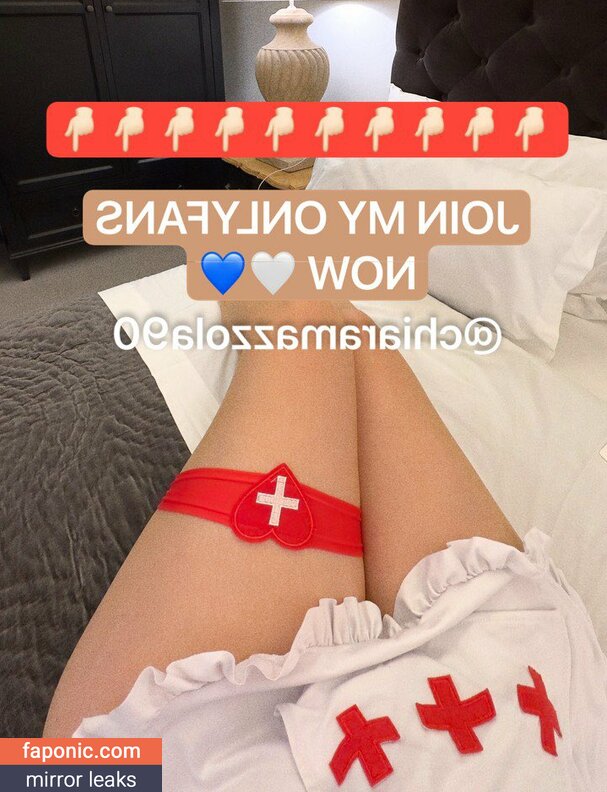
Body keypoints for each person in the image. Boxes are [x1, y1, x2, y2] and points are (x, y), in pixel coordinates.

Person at [45, 302, 607, 789]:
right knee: (346, 328)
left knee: (303, 318)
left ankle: (252, 257)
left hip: (208, 750)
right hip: (526, 708)